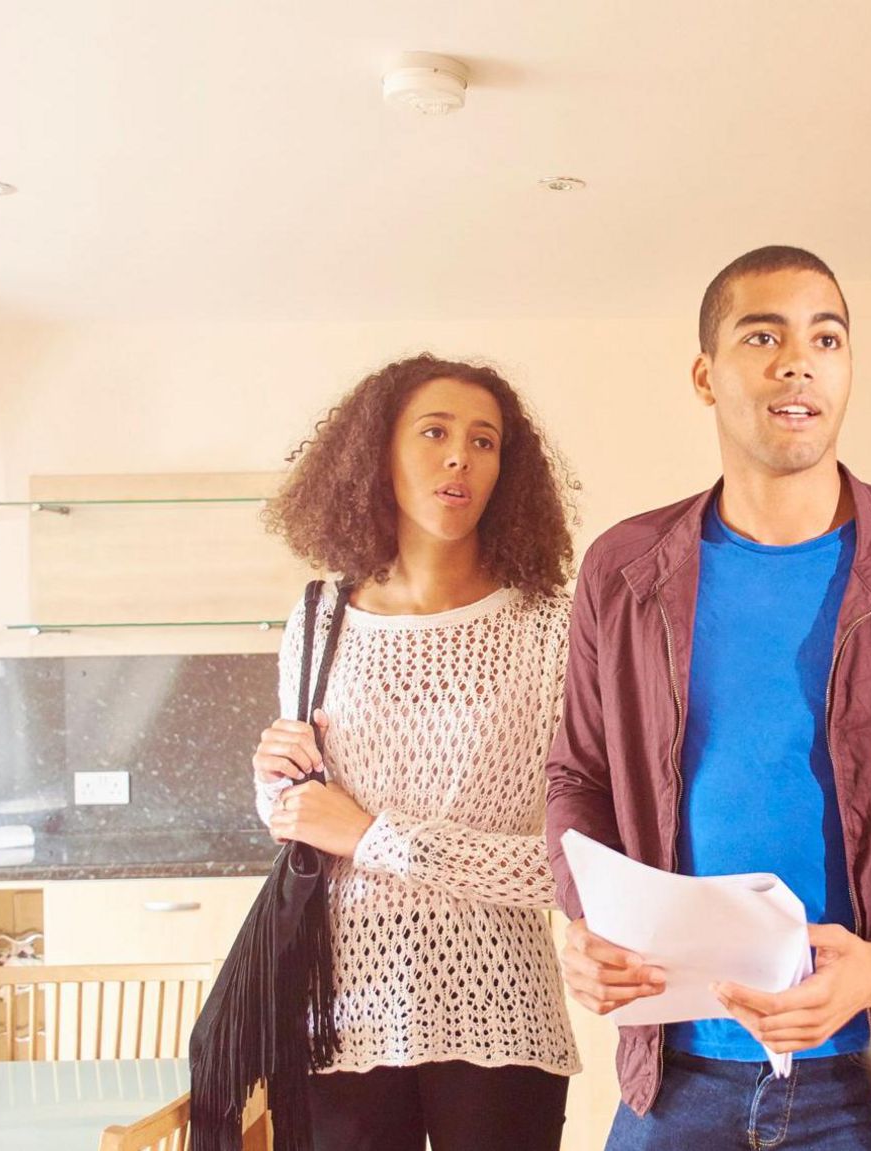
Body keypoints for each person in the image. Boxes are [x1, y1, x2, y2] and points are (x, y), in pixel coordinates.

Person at [544, 245, 871, 1150]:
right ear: (706, 376)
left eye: (826, 337)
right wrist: (589, 923)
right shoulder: (623, 570)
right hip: (677, 1075)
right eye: (763, 335)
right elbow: (575, 780)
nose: (799, 360)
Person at [251, 353, 582, 1151]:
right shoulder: (318, 615)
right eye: (434, 432)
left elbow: (572, 867)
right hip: (340, 1008)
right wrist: (273, 783)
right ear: (379, 455)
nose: (460, 456)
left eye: (485, 440)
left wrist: (374, 836)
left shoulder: (553, 629)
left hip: (502, 1009)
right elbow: (300, 817)